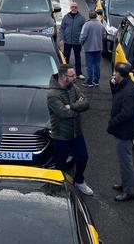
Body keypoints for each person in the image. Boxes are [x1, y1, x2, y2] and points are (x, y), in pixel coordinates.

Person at [47, 64, 93, 196]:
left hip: (76, 133)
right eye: (72, 76)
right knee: (60, 165)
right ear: (63, 77)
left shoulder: (73, 87)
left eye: (74, 75)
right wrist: (77, 108)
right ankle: (58, 188)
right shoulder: (52, 94)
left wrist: (71, 106)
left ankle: (79, 181)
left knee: (83, 157)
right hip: (61, 136)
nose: (75, 78)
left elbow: (86, 103)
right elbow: (64, 114)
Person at [108, 62, 134, 202]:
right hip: (123, 131)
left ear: (119, 74)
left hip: (124, 132)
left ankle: (129, 191)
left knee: (126, 161)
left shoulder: (128, 91)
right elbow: (116, 96)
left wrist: (113, 122)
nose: (114, 74)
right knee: (123, 159)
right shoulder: (125, 85)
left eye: (115, 72)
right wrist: (113, 85)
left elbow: (127, 113)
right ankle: (125, 183)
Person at [60, 2, 86, 79]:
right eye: (72, 7)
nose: (74, 8)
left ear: (77, 8)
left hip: (77, 42)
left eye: (75, 7)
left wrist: (82, 40)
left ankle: (78, 73)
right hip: (67, 41)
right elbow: (62, 28)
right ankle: (65, 73)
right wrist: (62, 39)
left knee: (78, 58)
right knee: (66, 58)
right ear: (70, 8)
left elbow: (83, 30)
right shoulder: (66, 17)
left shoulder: (81, 18)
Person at [79, 10, 104, 87]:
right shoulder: (100, 25)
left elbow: (83, 36)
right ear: (96, 16)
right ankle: (96, 81)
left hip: (89, 48)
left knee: (89, 66)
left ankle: (89, 82)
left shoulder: (87, 24)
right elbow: (103, 35)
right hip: (98, 48)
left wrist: (81, 43)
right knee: (97, 65)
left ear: (89, 16)